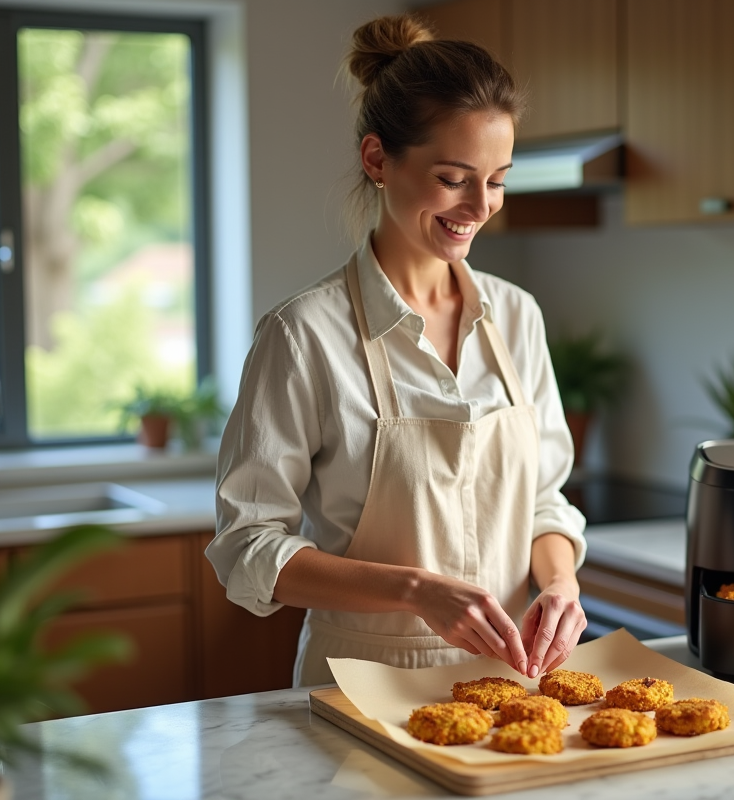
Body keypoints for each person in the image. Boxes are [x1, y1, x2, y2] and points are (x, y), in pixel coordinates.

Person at [207, 13, 588, 687]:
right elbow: (247, 548)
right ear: (378, 159)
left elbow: (543, 500)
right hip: (357, 689)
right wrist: (415, 590)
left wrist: (559, 584)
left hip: (507, 688)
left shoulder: (516, 318)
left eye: (497, 179)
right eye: (453, 177)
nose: (479, 205)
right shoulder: (303, 337)